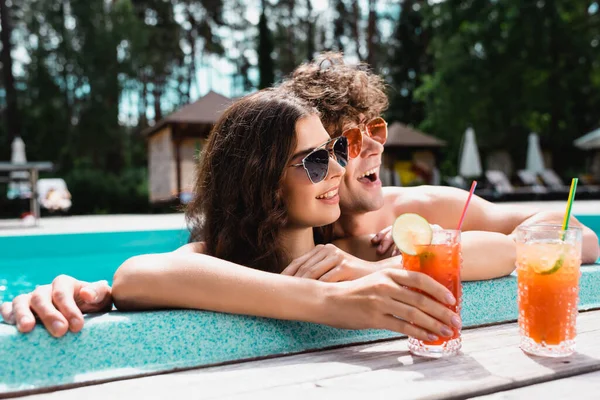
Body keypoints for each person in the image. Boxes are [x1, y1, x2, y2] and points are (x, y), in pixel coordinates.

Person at [4, 53, 598, 337]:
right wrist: (94, 291)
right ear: (262, 176)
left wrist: (400, 260)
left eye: (354, 145)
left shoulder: (400, 224)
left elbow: (534, 242)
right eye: (328, 151)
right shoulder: (255, 249)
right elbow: (142, 274)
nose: (350, 161)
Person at [2, 89, 461, 342]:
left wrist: (368, 270)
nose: (339, 167)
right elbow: (135, 275)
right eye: (316, 161)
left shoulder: (346, 252)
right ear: (259, 182)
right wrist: (332, 303)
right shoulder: (224, 261)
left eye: (336, 151)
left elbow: (503, 249)